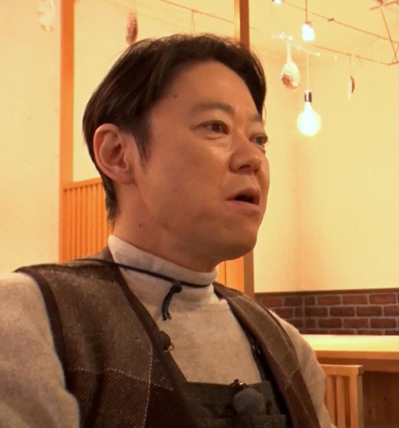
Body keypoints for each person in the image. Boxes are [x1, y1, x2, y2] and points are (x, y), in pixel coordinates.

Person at [0, 34, 333, 428]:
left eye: (258, 139)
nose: (252, 159)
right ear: (116, 154)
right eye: (216, 127)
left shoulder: (286, 344)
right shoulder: (30, 318)